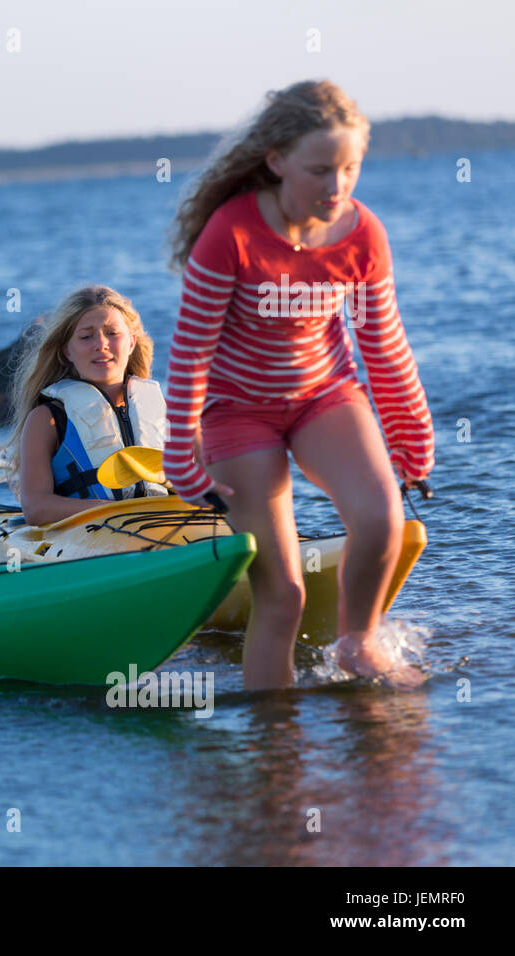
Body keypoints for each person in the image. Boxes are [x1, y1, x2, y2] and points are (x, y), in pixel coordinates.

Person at [163, 80, 433, 689]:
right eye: (320, 170)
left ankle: (358, 644)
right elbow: (190, 355)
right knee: (281, 594)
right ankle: (272, 748)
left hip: (324, 397)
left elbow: (383, 345)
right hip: (238, 413)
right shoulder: (228, 234)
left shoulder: (363, 235)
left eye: (350, 168)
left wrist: (411, 437)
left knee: (382, 518)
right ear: (277, 161)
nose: (336, 187)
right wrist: (182, 452)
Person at [5, 285, 168, 528]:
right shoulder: (47, 420)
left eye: (112, 333)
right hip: (88, 536)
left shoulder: (164, 411)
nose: (101, 344)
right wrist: (114, 512)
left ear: (132, 343)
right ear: (66, 351)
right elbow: (36, 509)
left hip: (165, 524)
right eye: (86, 336)